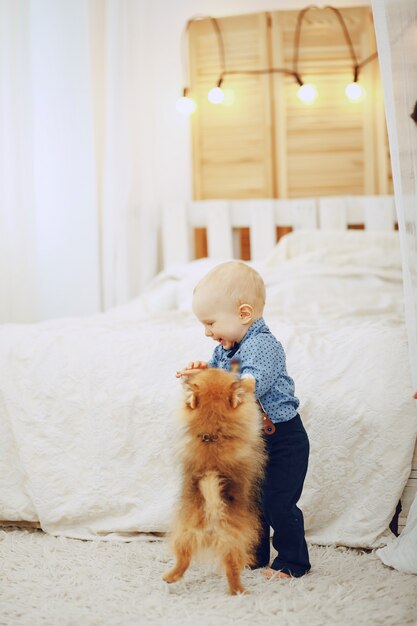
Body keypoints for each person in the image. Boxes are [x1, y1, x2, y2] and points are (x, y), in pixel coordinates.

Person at [176, 261, 311, 579]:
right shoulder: (227, 349)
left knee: (279, 502)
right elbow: (219, 378)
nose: (206, 332)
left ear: (244, 314)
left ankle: (293, 563)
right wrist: (202, 374)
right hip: (254, 440)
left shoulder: (264, 346)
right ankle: (255, 554)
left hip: (284, 439)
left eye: (210, 323)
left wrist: (220, 381)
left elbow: (250, 384)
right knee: (251, 500)